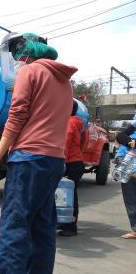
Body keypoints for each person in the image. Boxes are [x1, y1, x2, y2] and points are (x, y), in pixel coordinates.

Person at [0, 33, 77, 274]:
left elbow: (16, 117)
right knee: (43, 230)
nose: (16, 64)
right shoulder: (64, 81)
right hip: (53, 162)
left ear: (25, 55)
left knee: (14, 231)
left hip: (28, 159)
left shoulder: (30, 72)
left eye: (17, 59)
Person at [59, 100, 85, 237]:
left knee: (69, 195)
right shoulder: (75, 122)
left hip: (70, 163)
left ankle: (70, 226)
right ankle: (64, 221)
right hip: (74, 162)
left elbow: (66, 142)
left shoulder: (69, 122)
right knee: (66, 194)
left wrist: (61, 162)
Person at [115, 117, 136, 239]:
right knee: (130, 200)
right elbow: (120, 136)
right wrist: (130, 142)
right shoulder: (134, 125)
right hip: (128, 169)